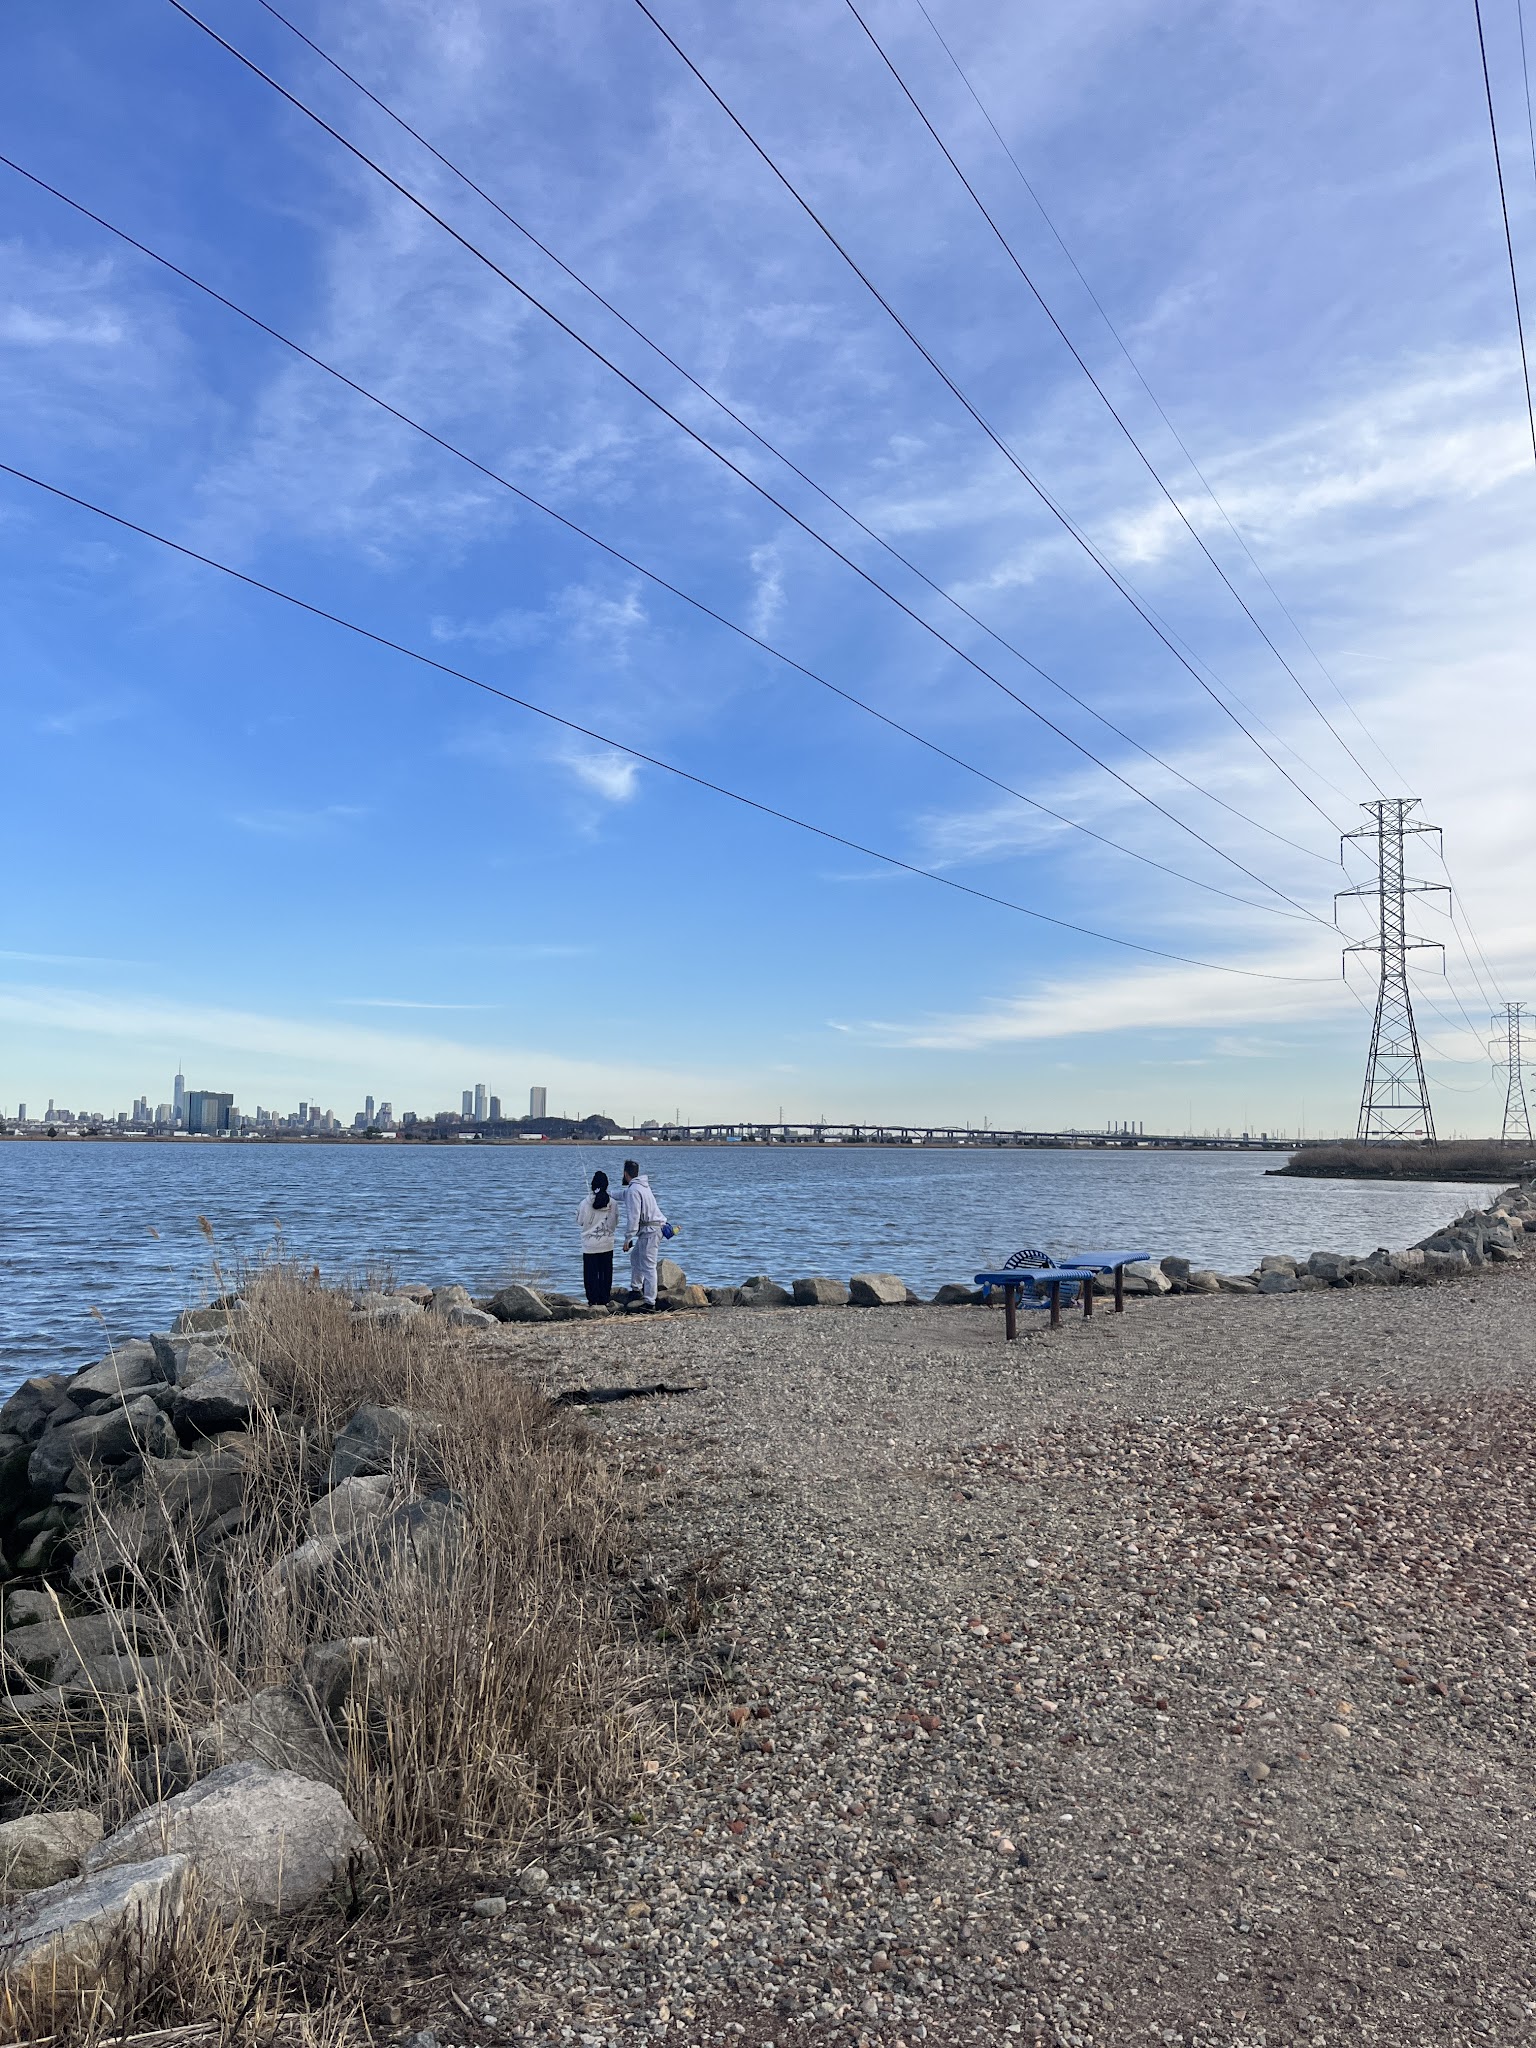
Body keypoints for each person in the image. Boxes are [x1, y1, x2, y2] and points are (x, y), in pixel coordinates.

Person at [619, 1158, 667, 1309]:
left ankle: (650, 1302)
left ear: (626, 1173)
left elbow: (633, 1217)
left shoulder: (634, 1190)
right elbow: (622, 1194)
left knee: (648, 1265)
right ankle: (635, 1289)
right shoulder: (641, 1187)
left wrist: (627, 1238)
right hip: (652, 1229)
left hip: (651, 1231)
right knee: (635, 1257)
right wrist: (606, 1194)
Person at [577, 1170, 618, 1305]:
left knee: (590, 1275)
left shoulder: (584, 1203)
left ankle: (592, 1301)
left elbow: (580, 1221)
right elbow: (614, 1223)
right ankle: (604, 1300)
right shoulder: (613, 1203)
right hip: (607, 1244)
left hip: (589, 1246)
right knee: (605, 1274)